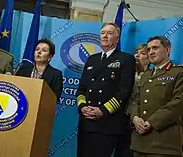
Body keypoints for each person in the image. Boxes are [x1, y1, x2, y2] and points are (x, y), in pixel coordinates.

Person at [76, 22, 136, 157]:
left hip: (107, 123)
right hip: (86, 122)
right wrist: (83, 107)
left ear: (117, 38)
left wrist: (102, 110)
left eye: (109, 33)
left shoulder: (126, 59)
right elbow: (81, 89)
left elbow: (124, 91)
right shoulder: (92, 59)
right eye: (103, 33)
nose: (105, 36)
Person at [131, 36, 183, 157]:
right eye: (148, 49)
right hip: (139, 143)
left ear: (167, 50)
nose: (151, 52)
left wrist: (151, 123)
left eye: (155, 48)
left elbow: (178, 103)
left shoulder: (178, 73)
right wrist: (134, 117)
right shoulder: (145, 75)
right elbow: (134, 100)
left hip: (164, 144)